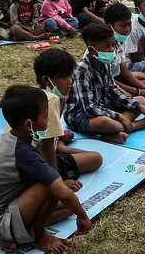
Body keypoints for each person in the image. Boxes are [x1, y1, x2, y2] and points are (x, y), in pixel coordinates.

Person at [0, 85, 95, 254]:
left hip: (0, 211)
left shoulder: (12, 136)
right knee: (51, 186)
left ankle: (16, 234)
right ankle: (37, 236)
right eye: (46, 117)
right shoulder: (23, 152)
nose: (48, 121)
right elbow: (62, 191)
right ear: (29, 124)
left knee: (68, 208)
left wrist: (76, 210)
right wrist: (83, 217)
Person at [62, 23, 145, 144]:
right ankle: (133, 126)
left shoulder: (104, 63)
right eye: (106, 46)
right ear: (92, 50)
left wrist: (137, 106)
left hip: (102, 105)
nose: (112, 49)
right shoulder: (82, 71)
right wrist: (119, 116)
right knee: (105, 122)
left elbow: (112, 90)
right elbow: (89, 108)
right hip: (80, 115)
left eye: (113, 45)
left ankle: (114, 131)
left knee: (141, 101)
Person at [27, 48, 104, 187]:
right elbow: (47, 143)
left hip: (34, 152)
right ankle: (58, 161)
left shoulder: (39, 93)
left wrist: (57, 136)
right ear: (46, 80)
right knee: (95, 158)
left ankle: (61, 147)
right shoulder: (50, 100)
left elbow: (44, 134)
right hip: (36, 162)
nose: (70, 82)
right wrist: (57, 181)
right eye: (64, 77)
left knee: (64, 135)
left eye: (70, 76)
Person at [103, 3, 145, 97]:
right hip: (105, 83)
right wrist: (139, 92)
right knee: (140, 101)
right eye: (122, 25)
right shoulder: (104, 47)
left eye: (129, 24)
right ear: (109, 25)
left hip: (116, 77)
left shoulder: (119, 42)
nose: (127, 29)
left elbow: (125, 71)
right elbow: (107, 80)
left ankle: (127, 91)